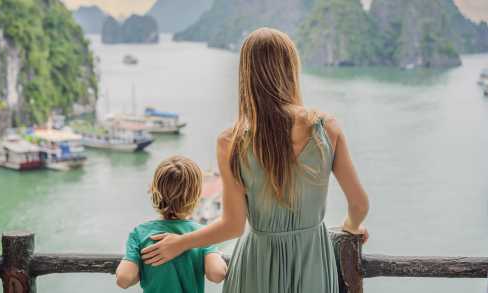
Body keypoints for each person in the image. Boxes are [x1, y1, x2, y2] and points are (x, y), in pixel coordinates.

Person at [141, 27, 369, 293]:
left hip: (257, 267)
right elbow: (359, 204)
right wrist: (350, 228)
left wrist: (178, 243)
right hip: (314, 263)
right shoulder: (326, 129)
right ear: (291, 68)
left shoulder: (232, 141)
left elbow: (233, 226)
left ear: (246, 74)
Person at [115, 155, 227, 292]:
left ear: (155, 191)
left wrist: (142, 270)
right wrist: (215, 253)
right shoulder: (202, 235)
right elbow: (217, 274)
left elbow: (123, 279)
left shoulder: (139, 234)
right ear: (196, 195)